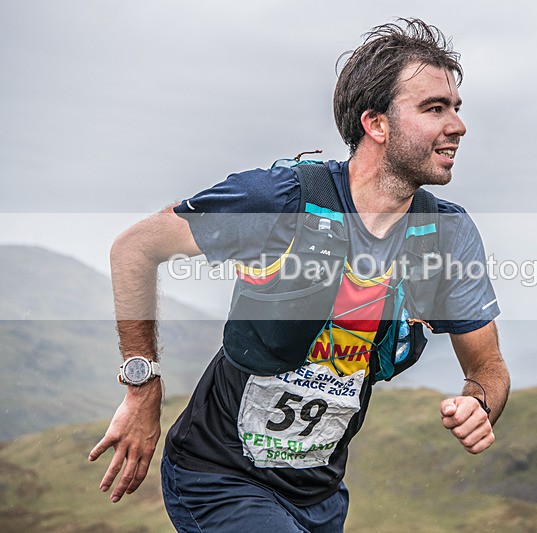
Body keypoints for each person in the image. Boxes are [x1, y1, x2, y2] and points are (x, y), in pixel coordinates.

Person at [89, 18, 510, 532]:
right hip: (218, 477)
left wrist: (479, 405)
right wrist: (142, 388)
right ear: (375, 123)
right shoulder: (279, 200)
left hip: (321, 497)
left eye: (456, 109)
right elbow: (135, 249)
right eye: (434, 108)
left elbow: (487, 369)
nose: (458, 126)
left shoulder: (446, 234)